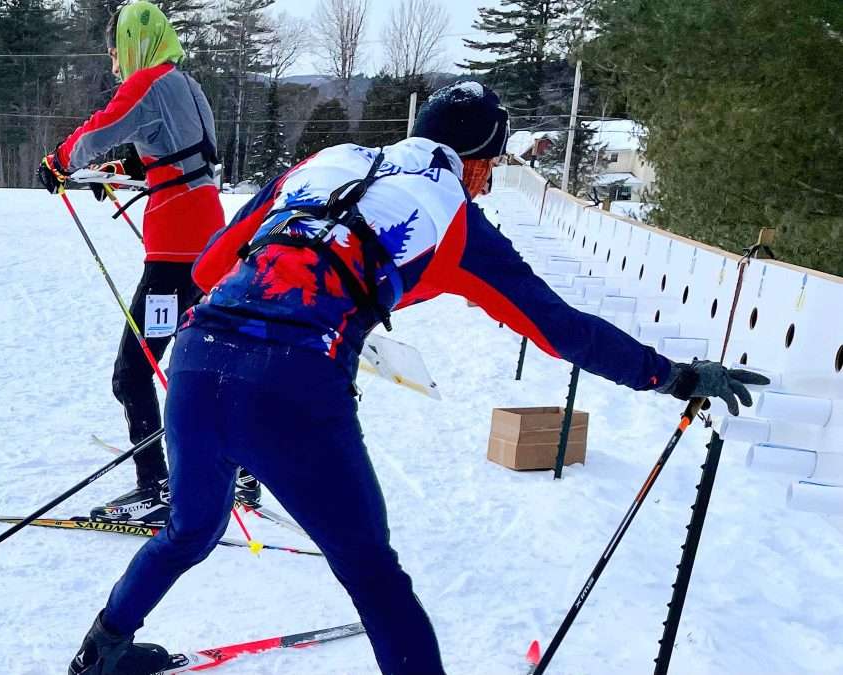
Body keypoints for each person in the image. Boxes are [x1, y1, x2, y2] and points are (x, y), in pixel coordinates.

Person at [67, 81, 769, 675]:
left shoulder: (326, 161)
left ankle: (100, 651)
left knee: (191, 527)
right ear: (470, 162)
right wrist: (673, 376)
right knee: (373, 573)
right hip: (294, 386)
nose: (489, 182)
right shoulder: (455, 218)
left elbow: (208, 267)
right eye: (490, 165)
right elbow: (561, 329)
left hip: (197, 359)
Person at [37, 1, 260, 528]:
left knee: (133, 372)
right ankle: (243, 471)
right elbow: (172, 147)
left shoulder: (148, 82)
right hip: (210, 246)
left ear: (137, 43)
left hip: (175, 255)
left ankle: (155, 488)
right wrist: (119, 169)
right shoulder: (186, 84)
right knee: (202, 363)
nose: (117, 63)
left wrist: (59, 162)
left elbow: (104, 124)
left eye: (118, 50)